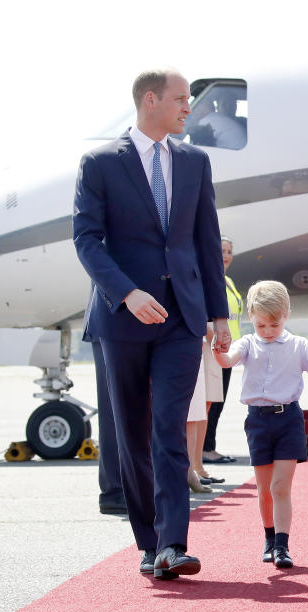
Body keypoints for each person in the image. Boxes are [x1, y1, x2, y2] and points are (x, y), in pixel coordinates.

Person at [73, 68, 231, 581]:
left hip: (181, 318)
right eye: (182, 99)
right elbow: (87, 240)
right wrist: (127, 292)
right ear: (151, 100)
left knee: (168, 428)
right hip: (123, 319)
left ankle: (173, 544)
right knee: (132, 433)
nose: (189, 107)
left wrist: (219, 313)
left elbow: (206, 240)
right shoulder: (99, 162)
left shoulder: (194, 161)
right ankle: (148, 542)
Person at [214, 281, 308, 569]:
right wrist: (217, 350)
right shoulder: (247, 343)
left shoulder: (298, 345)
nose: (268, 332)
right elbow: (227, 360)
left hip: (288, 419)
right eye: (261, 326)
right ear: (251, 319)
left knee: (281, 486)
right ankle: (269, 538)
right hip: (257, 420)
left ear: (286, 316)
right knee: (264, 488)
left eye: (274, 324)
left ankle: (282, 545)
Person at [83, 285, 125, 514]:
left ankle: (124, 489)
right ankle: (114, 490)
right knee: (113, 413)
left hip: (136, 322)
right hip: (113, 321)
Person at [203, 236, 244, 464]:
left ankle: (209, 446)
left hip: (229, 351)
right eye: (221, 251)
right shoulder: (209, 280)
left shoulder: (228, 281)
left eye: (229, 251)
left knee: (219, 402)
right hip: (215, 349)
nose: (225, 255)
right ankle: (206, 449)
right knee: (211, 402)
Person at [185, 325, 225, 494]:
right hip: (189, 337)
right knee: (191, 413)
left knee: (197, 412)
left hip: (198, 341)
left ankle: (192, 469)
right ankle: (189, 469)